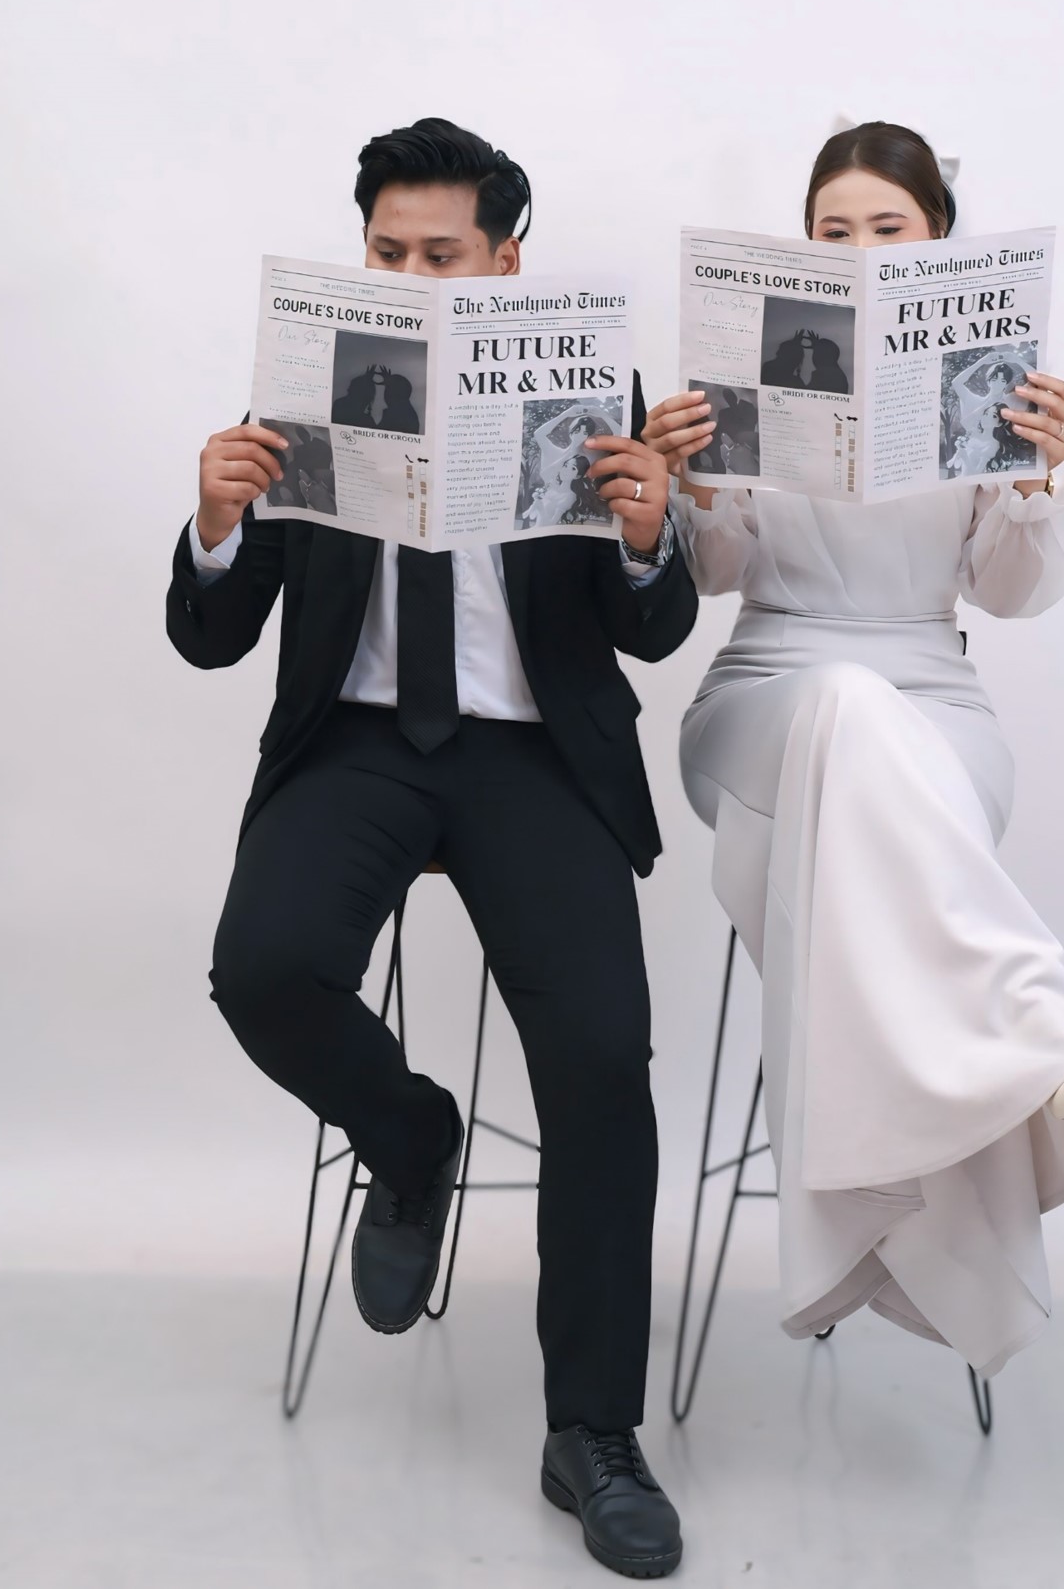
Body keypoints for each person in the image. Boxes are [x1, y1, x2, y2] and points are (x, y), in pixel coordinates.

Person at [167, 117, 694, 1578]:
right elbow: (212, 637)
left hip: (534, 754)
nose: (408, 276)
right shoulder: (303, 388)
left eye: (439, 255)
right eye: (385, 252)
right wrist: (216, 521)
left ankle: (590, 1430)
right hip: (354, 740)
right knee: (263, 967)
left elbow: (652, 629)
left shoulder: (591, 388)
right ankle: (409, 1136)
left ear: (504, 261)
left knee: (600, 1059)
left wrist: (647, 536)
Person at [643, 120, 1064, 1382]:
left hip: (936, 696)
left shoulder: (991, 376)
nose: (856, 249)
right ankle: (1031, 1020)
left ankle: (962, 1102)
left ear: (935, 241)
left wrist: (1039, 476)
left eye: (885, 228)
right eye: (833, 230)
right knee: (839, 702)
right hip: (763, 690)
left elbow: (1009, 594)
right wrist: (694, 479)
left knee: (867, 713)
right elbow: (714, 576)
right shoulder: (751, 362)